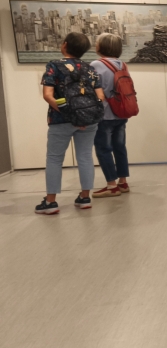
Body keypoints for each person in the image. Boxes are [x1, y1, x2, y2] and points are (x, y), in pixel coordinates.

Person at [37, 32, 104, 214]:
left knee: (54, 158)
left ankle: (50, 202)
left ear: (65, 45)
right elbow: (100, 96)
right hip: (89, 120)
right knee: (85, 156)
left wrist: (70, 114)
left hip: (61, 120)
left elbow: (48, 95)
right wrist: (85, 115)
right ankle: (85, 198)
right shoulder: (90, 68)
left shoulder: (54, 66)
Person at [90, 33, 130, 197]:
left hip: (104, 114)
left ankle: (111, 186)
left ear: (102, 46)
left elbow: (92, 88)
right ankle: (123, 182)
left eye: (97, 42)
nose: (95, 45)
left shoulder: (96, 64)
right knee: (120, 147)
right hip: (121, 112)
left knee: (103, 149)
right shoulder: (122, 64)